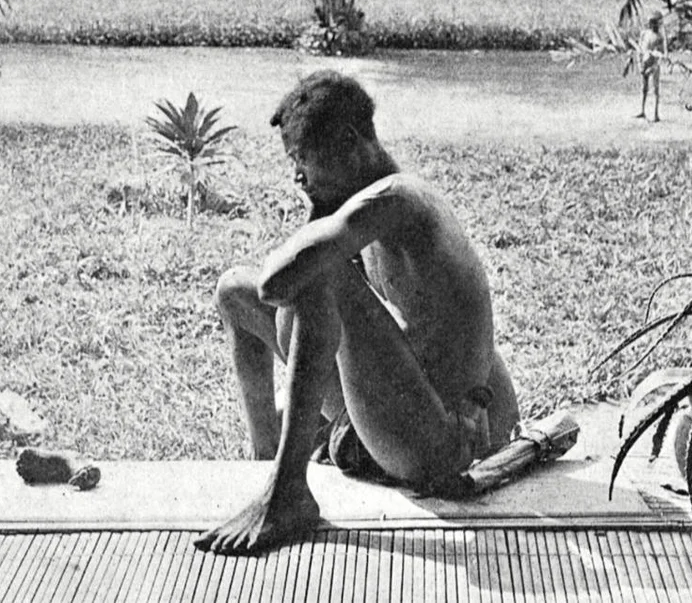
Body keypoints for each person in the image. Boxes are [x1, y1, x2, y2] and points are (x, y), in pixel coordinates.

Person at [196, 71, 521, 556]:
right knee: (233, 293)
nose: (298, 178)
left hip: (439, 443)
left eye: (303, 160)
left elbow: (279, 280)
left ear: (350, 143)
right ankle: (267, 463)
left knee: (318, 275)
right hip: (400, 417)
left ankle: (288, 493)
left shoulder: (396, 200)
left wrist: (318, 223)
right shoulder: (365, 206)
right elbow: (263, 293)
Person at [629, 12, 665, 122]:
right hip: (645, 63)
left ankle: (656, 113)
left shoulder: (659, 37)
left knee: (655, 89)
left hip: (653, 64)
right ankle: (642, 110)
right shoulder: (644, 34)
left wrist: (653, 67)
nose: (655, 26)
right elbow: (640, 49)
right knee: (644, 88)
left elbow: (661, 54)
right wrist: (640, 65)